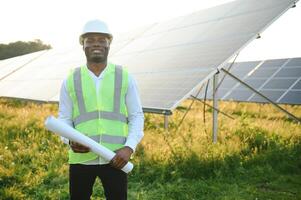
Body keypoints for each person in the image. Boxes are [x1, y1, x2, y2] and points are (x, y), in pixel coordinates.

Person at [58, 19, 144, 200]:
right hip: (81, 159)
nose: (96, 43)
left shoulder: (125, 76)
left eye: (101, 39)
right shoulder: (70, 79)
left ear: (109, 43)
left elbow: (136, 116)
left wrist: (129, 148)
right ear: (83, 45)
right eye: (90, 40)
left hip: (115, 157)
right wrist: (69, 140)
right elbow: (64, 119)